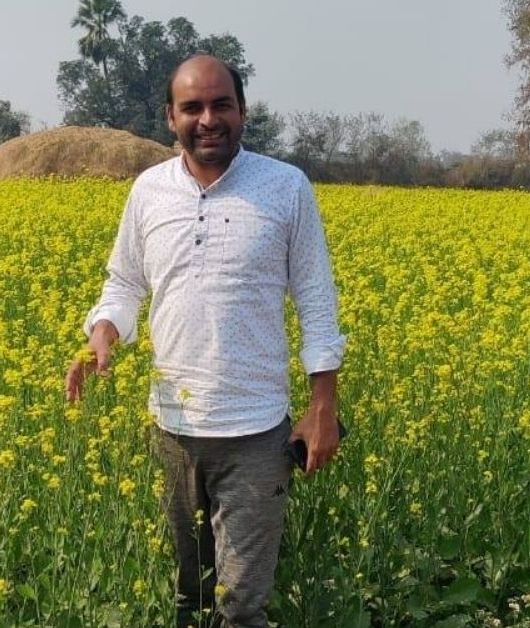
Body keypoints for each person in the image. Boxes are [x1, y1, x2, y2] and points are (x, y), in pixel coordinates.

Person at [65, 54, 346, 628]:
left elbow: (317, 302)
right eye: (192, 107)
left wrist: (323, 408)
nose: (208, 119)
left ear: (243, 110)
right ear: (170, 116)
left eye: (222, 104)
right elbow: (125, 282)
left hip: (255, 434)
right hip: (173, 431)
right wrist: (103, 331)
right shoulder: (148, 191)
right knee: (189, 598)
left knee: (241, 607)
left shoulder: (286, 188)